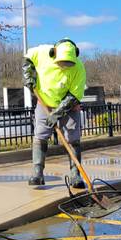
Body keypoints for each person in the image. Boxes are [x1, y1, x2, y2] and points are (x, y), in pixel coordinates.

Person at [22, 38, 86, 188]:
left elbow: (74, 96)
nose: (64, 66)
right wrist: (29, 75)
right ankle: (37, 172)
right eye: (61, 62)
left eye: (68, 63)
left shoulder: (79, 68)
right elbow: (27, 59)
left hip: (69, 106)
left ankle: (75, 174)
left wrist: (57, 114)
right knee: (40, 136)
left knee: (73, 138)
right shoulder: (42, 52)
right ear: (53, 54)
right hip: (44, 102)